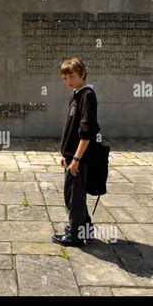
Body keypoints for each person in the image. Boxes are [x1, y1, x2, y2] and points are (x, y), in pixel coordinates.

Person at [52, 58, 100, 247]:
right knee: (76, 195)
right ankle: (85, 229)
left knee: (73, 197)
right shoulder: (76, 95)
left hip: (79, 158)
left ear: (82, 74)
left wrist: (77, 159)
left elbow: (87, 131)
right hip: (72, 156)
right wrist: (66, 154)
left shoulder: (87, 95)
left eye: (72, 76)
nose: (68, 80)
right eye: (64, 77)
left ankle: (75, 235)